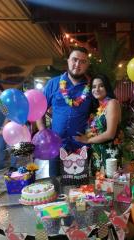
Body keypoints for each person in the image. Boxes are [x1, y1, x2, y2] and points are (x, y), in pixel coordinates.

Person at [37, 47, 93, 176]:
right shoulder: (53, 83)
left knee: (80, 188)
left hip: (81, 146)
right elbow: (39, 109)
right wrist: (43, 132)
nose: (78, 64)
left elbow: (99, 113)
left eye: (83, 61)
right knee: (56, 184)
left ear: (87, 65)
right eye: (75, 59)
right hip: (56, 146)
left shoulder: (91, 87)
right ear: (68, 61)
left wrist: (90, 136)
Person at [75, 73, 121, 174]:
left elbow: (110, 134)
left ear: (107, 87)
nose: (97, 89)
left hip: (109, 156)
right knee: (99, 186)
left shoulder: (112, 103)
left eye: (101, 85)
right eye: (94, 86)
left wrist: (88, 140)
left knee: (110, 187)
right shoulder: (98, 108)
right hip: (97, 155)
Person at [0, 84, 17, 172]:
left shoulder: (5, 100)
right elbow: (0, 116)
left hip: (8, 128)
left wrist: (2, 128)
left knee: (10, 147)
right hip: (0, 128)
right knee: (0, 147)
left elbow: (8, 116)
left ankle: (13, 166)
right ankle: (1, 165)